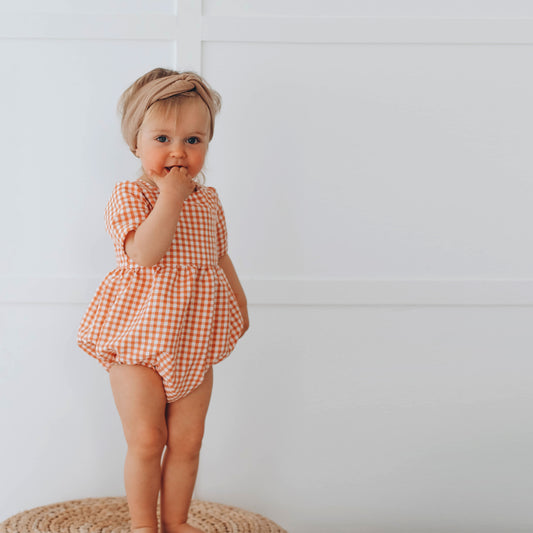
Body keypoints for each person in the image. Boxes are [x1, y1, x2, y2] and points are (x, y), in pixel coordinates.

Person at [77, 67, 249, 533]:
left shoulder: (209, 202)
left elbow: (219, 255)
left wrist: (240, 305)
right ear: (136, 143)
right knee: (149, 439)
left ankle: (175, 523)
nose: (178, 151)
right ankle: (141, 525)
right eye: (162, 138)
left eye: (194, 140)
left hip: (193, 340)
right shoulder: (131, 194)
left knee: (188, 441)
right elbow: (144, 253)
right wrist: (170, 197)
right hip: (136, 339)